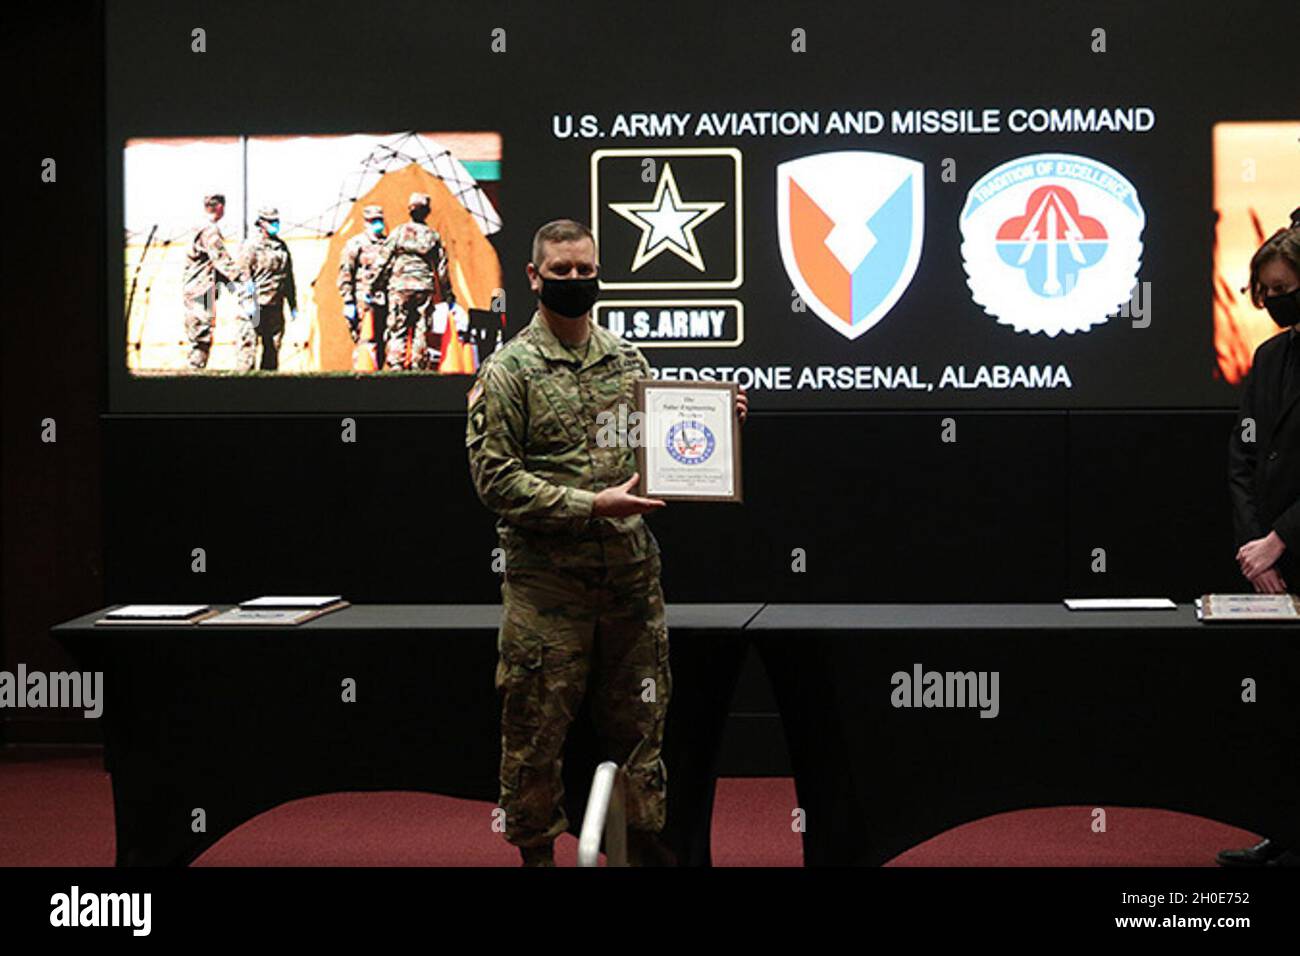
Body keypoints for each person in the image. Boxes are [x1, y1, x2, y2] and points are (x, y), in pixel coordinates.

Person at [466, 218, 746, 866]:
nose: (574, 281)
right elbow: (494, 480)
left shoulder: (628, 361)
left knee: (642, 734)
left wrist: (716, 428)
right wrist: (592, 504)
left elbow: (668, 448)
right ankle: (537, 858)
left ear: (598, 273)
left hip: (629, 582)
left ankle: (646, 852)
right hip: (547, 591)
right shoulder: (508, 372)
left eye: (584, 270)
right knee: (534, 740)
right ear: (533, 278)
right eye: (560, 272)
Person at [1220, 208, 1300, 868]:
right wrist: (1256, 551)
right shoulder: (1270, 355)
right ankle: (1286, 836)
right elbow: (1244, 454)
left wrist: (1283, 538)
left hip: (1292, 551)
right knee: (1282, 712)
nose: (1272, 301)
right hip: (1271, 571)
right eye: (1263, 292)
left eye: (1282, 288)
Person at [371, 192, 453, 370]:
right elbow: (442, 269)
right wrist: (448, 295)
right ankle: (418, 364)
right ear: (427, 212)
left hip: (400, 286)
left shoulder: (399, 232)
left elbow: (382, 259)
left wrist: (373, 284)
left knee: (397, 325)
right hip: (424, 286)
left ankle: (396, 364)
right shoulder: (433, 236)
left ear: (409, 210)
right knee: (421, 326)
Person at [182, 192, 246, 369]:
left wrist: (229, 283)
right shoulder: (209, 229)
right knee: (201, 336)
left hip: (196, 287)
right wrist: (240, 278)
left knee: (198, 334)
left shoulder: (197, 226)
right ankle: (195, 375)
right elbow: (220, 258)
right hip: (200, 290)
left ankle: (195, 371)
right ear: (220, 207)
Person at [236, 206, 298, 371]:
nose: (275, 225)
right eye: (271, 222)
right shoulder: (251, 246)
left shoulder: (281, 247)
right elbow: (244, 275)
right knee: (248, 350)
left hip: (274, 306)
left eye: (276, 221)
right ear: (261, 223)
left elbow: (288, 277)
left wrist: (292, 303)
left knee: (273, 349)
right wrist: (248, 300)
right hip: (255, 306)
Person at [337, 204, 390, 368]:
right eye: (373, 221)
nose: (378, 224)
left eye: (379, 220)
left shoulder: (386, 244)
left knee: (382, 343)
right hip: (363, 301)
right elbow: (346, 272)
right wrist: (348, 301)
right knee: (365, 342)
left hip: (383, 300)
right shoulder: (355, 244)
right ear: (366, 222)